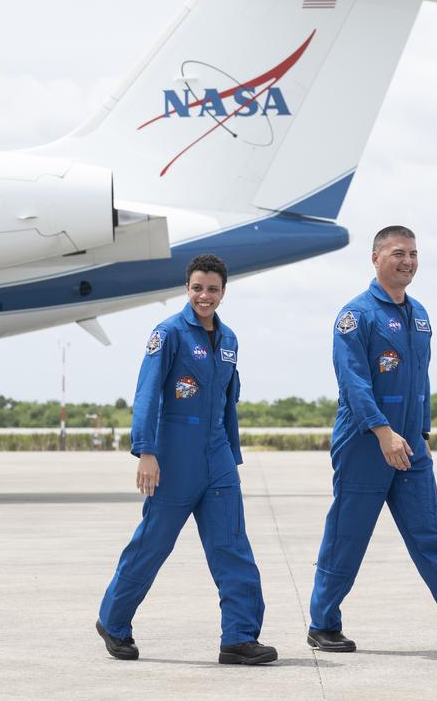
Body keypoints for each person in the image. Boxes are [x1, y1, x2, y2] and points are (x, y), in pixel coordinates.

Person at [306, 225, 437, 654]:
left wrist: (422, 433)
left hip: (411, 447)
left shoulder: (419, 314)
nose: (408, 261)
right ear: (376, 258)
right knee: (348, 536)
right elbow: (354, 384)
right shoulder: (356, 315)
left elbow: (421, 382)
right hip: (366, 443)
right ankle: (323, 623)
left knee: (432, 533)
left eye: (414, 254)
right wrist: (383, 432)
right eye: (399, 253)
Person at [95, 254, 276, 665]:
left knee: (233, 547)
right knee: (152, 545)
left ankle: (239, 637)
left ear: (223, 292)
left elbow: (230, 400)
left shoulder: (229, 340)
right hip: (174, 457)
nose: (205, 296)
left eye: (213, 289)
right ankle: (114, 621)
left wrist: (232, 454)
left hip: (218, 458)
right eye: (197, 288)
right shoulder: (169, 333)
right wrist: (146, 451)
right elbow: (147, 394)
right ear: (187, 289)